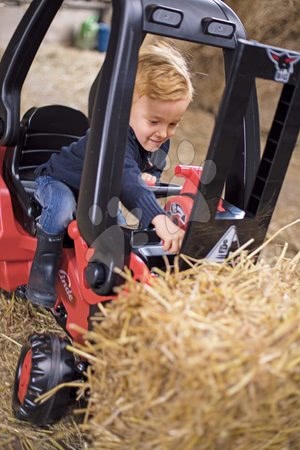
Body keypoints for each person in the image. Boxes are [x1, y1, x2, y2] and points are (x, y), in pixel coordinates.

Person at [26, 41, 194, 308]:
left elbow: (146, 171)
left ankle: (99, 280)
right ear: (125, 110)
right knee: (62, 208)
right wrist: (159, 219)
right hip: (60, 180)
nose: (163, 133)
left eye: (173, 123)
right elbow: (125, 178)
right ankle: (43, 268)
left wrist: (150, 176)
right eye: (154, 122)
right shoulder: (112, 134)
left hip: (98, 190)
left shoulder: (159, 140)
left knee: (112, 229)